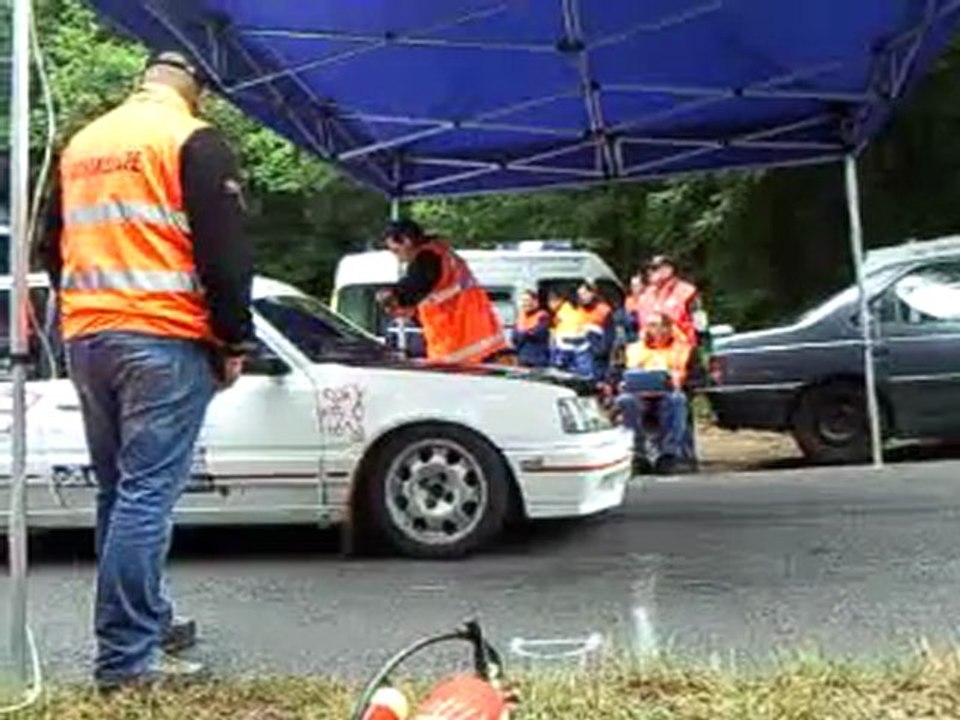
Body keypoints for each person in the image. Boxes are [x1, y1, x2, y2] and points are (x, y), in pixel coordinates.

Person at [39, 50, 254, 690]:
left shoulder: (83, 143)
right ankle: (127, 660)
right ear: (196, 89)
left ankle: (148, 620)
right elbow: (226, 253)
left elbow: (52, 245)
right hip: (161, 337)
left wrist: (85, 310)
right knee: (146, 496)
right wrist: (233, 339)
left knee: (119, 491)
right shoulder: (191, 138)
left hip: (89, 336)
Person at [377, 219, 507, 364]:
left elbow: (414, 286)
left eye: (396, 250)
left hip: (459, 345)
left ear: (407, 241)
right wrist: (412, 311)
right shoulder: (443, 254)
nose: (398, 258)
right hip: (480, 338)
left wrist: (392, 294)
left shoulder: (427, 258)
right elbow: (434, 297)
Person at [616, 313, 696, 474]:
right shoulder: (634, 349)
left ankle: (668, 455)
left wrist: (681, 383)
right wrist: (620, 383)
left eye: (656, 325)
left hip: (669, 395)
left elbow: (698, 377)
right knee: (625, 401)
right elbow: (615, 373)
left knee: (677, 400)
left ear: (667, 328)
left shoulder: (684, 349)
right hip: (639, 397)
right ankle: (638, 454)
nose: (652, 329)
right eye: (649, 325)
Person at [637, 255, 701, 347]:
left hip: (682, 351)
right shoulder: (645, 297)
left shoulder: (687, 292)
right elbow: (641, 327)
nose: (650, 272)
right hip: (651, 353)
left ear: (668, 269)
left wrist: (703, 352)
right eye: (648, 269)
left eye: (655, 269)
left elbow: (700, 324)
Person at [576, 280, 613, 382]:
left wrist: (599, 351)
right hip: (581, 354)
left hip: (597, 357)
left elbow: (609, 336)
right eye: (580, 295)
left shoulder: (604, 310)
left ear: (592, 293)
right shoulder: (579, 310)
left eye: (585, 293)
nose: (583, 297)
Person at [547, 289, 587, 374]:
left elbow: (555, 332)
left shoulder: (563, 311)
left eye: (551, 300)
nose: (549, 304)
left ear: (560, 299)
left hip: (564, 348)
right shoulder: (576, 309)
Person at [512, 289, 550, 368]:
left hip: (538, 361)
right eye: (523, 300)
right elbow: (514, 338)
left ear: (535, 302)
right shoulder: (520, 316)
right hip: (522, 360)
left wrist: (523, 333)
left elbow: (537, 334)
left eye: (527, 300)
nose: (525, 303)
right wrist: (525, 333)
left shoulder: (542, 316)